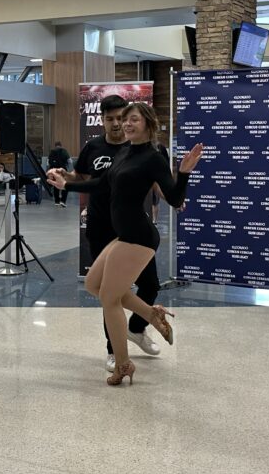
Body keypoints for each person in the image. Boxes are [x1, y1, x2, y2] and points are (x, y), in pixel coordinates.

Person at [48, 102, 203, 386]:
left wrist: (183, 173)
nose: (126, 124)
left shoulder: (153, 158)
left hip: (139, 237)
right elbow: (100, 184)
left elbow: (175, 199)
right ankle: (150, 313)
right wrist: (65, 185)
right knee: (94, 284)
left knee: (110, 298)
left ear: (148, 124)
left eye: (133, 120)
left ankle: (123, 364)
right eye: (124, 119)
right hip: (125, 235)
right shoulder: (124, 152)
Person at [48, 95, 158, 373]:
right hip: (101, 227)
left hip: (133, 227)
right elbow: (81, 178)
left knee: (151, 285)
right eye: (110, 119)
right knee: (110, 293)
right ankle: (113, 349)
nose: (117, 123)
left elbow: (156, 178)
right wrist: (64, 176)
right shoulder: (93, 147)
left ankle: (136, 329)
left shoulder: (137, 148)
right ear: (102, 120)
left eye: (121, 118)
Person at [47, 141, 70, 207]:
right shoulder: (64, 151)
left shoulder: (52, 152)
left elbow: (48, 163)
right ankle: (63, 201)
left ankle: (57, 202)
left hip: (54, 171)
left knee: (56, 185)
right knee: (65, 185)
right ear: (60, 145)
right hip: (62, 170)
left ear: (55, 145)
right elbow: (70, 161)